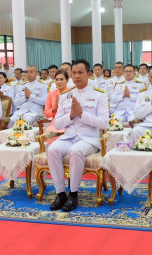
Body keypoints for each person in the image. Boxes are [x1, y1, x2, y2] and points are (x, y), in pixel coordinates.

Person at [47, 59, 109, 212]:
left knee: (76, 151)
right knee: (52, 150)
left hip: (88, 138)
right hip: (68, 137)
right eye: (73, 73)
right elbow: (59, 124)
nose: (76, 76)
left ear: (89, 74)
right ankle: (60, 193)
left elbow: (104, 123)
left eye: (80, 73)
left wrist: (81, 114)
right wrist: (71, 115)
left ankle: (73, 194)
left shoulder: (99, 95)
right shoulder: (66, 95)